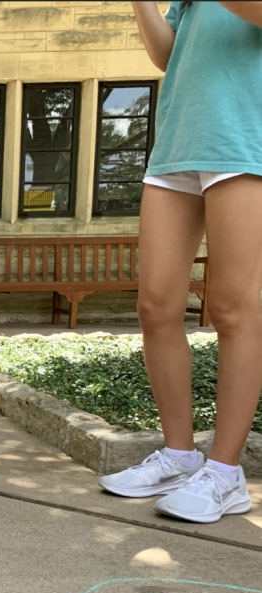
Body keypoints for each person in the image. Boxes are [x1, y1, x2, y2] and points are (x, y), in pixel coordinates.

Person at [99, 1, 262, 523]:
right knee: (156, 306)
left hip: (243, 141)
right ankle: (179, 454)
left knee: (234, 310)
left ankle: (225, 473)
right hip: (176, 145)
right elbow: (167, 55)